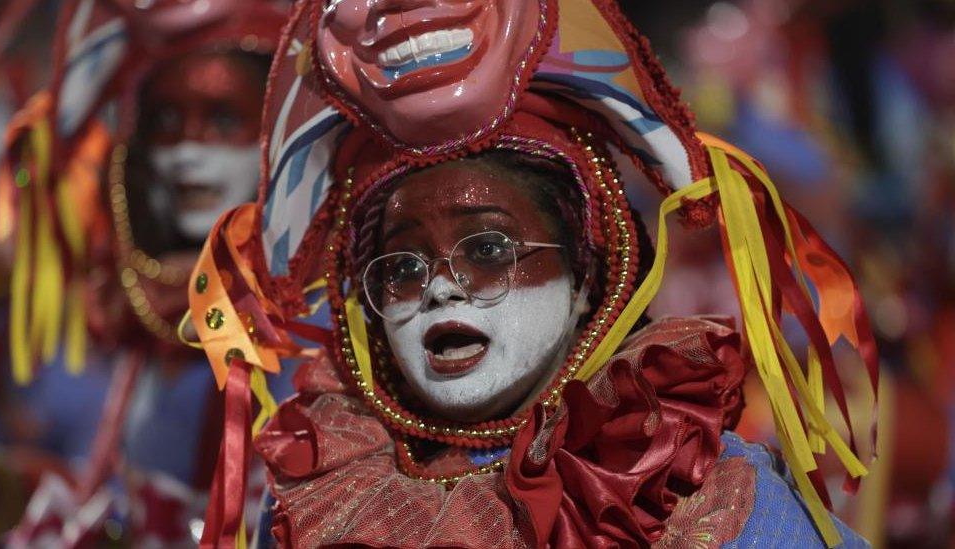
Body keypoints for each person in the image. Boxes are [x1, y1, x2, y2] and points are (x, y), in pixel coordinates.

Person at [189, 1, 880, 547]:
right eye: (400, 265)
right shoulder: (319, 505)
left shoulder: (701, 496)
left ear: (587, 274)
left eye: (488, 248)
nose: (440, 286)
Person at [0, 0, 288, 545]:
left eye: (223, 120)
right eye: (165, 124)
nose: (185, 153)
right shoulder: (132, 304)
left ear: (277, 133)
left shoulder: (307, 327)